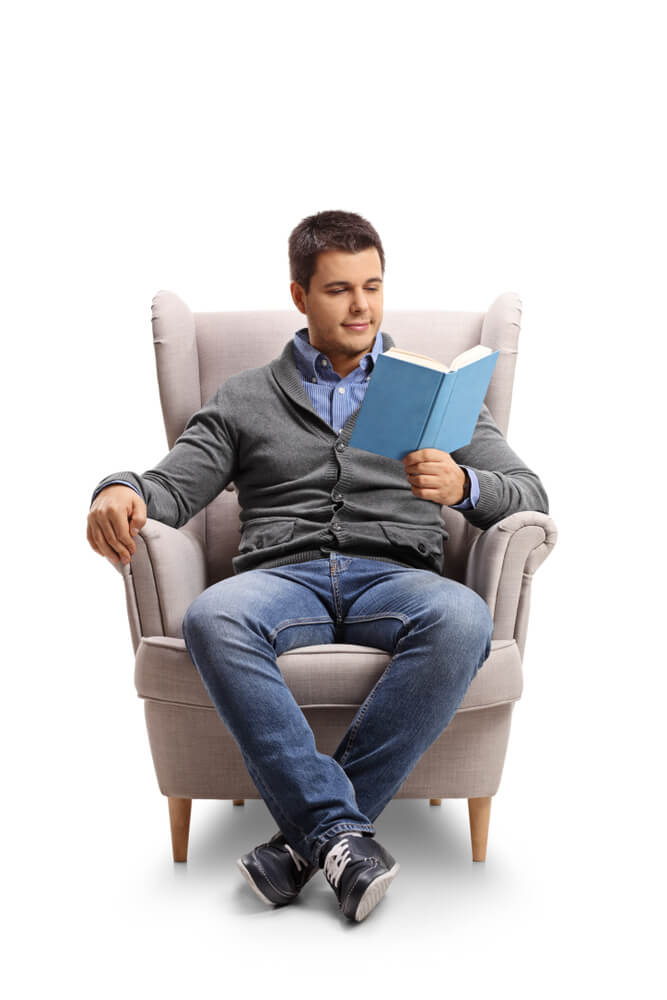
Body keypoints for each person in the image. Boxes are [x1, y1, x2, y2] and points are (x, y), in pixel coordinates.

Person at [87, 209, 549, 923]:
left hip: (398, 576)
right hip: (281, 577)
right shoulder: (243, 397)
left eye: (373, 286)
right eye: (339, 290)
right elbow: (173, 487)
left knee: (463, 618)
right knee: (214, 615)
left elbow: (530, 495)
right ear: (300, 296)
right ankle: (338, 836)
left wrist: (465, 488)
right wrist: (117, 487)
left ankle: (301, 844)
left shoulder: (433, 391)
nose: (362, 306)